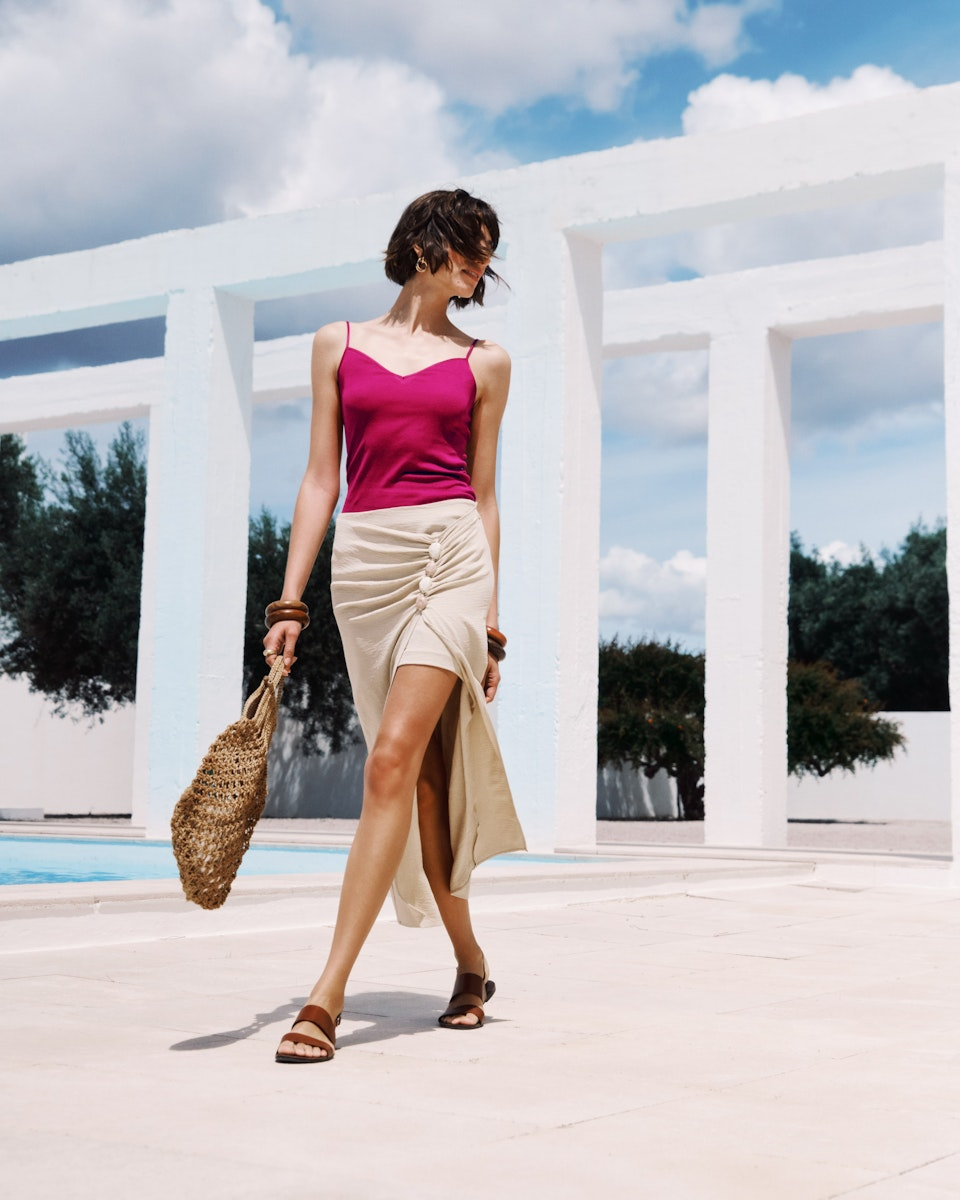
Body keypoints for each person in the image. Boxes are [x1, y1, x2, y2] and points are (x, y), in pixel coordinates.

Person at [263, 188, 526, 1064]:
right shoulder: (336, 345)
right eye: (468, 246)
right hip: (366, 565)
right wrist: (289, 601)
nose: (477, 264)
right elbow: (317, 480)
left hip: (451, 556)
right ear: (424, 243)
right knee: (415, 781)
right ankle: (470, 961)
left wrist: (488, 624)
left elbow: (485, 495)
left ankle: (325, 997)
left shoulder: (486, 362)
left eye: (487, 253)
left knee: (388, 760)